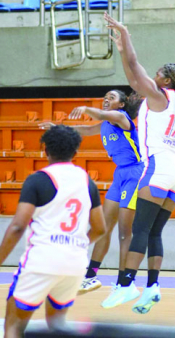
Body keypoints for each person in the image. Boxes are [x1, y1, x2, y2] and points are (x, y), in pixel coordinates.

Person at [101, 12, 175, 314]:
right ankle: (153, 286)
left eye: (158, 73)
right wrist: (121, 50)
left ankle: (126, 283)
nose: (153, 75)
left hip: (158, 166)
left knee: (140, 229)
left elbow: (133, 74)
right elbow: (134, 72)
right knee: (155, 232)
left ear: (166, 80)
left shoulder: (160, 95)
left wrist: (125, 37)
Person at [1, 125, 106, 338]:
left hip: (43, 259)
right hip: (75, 262)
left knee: (14, 324)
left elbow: (18, 226)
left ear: (45, 150)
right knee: (56, 328)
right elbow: (100, 228)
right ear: (75, 152)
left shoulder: (38, 179)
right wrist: (76, 243)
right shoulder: (87, 181)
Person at [40, 90, 143, 294]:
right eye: (105, 97)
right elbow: (85, 130)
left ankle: (125, 282)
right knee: (104, 227)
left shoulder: (122, 118)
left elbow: (105, 115)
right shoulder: (105, 124)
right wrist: (58, 129)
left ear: (122, 105)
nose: (106, 99)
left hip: (135, 173)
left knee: (125, 232)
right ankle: (91, 276)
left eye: (111, 98)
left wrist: (87, 108)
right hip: (120, 174)